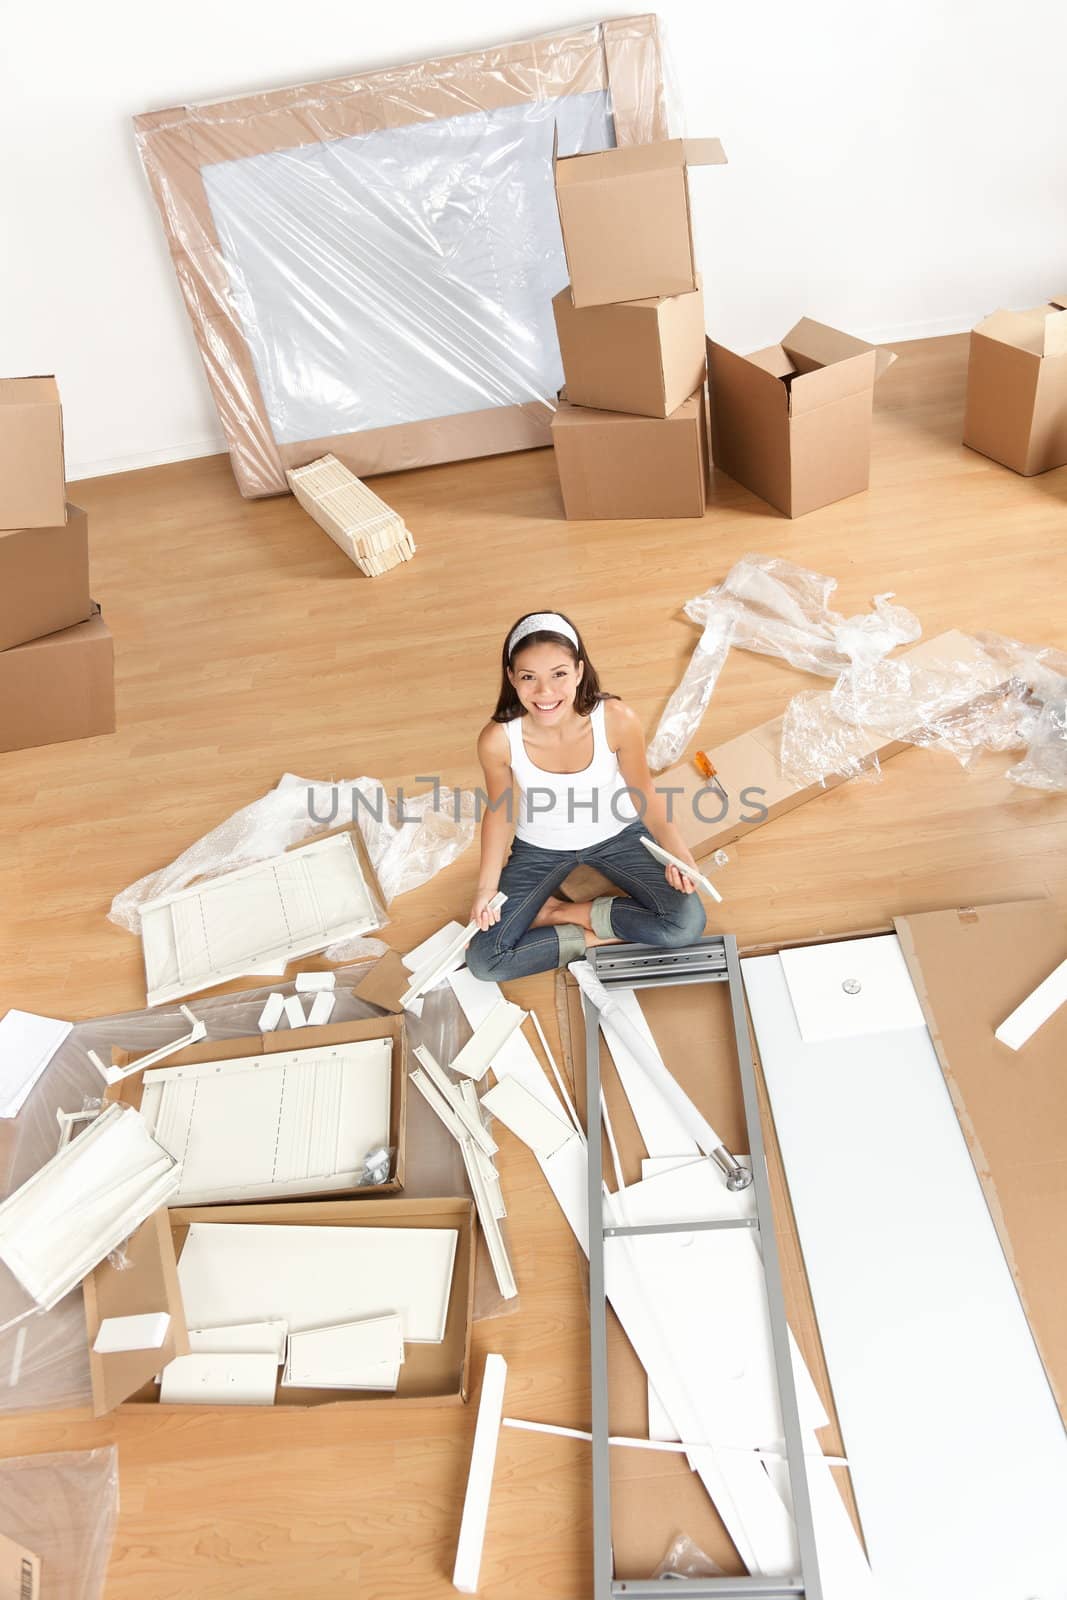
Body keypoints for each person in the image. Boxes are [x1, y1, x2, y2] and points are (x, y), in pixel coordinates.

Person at [465, 610, 708, 982]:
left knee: (686, 924)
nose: (545, 693)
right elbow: (499, 811)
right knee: (484, 961)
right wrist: (486, 889)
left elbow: (643, 791)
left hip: (619, 835)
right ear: (512, 677)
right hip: (538, 849)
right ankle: (591, 932)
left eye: (559, 675)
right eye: (529, 677)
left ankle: (559, 914)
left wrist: (681, 857)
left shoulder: (616, 719)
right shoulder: (497, 739)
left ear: (579, 671)